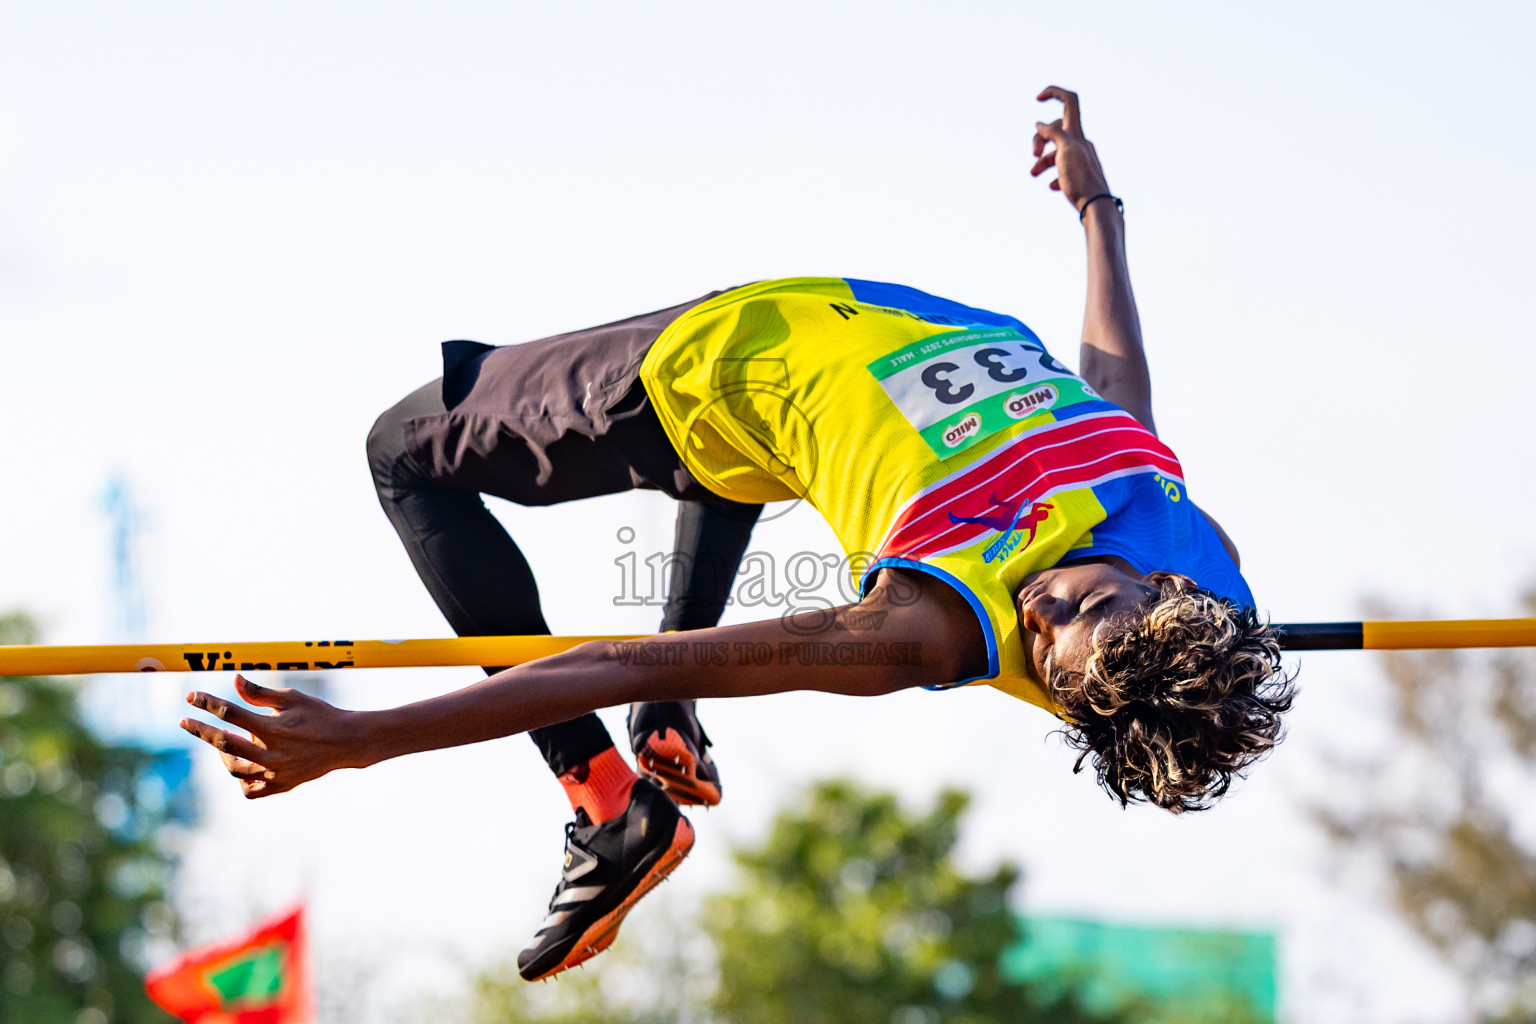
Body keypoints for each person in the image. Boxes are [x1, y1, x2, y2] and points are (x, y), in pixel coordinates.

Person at [180, 87, 1295, 982]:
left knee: (402, 452)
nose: (1044, 603)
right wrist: (1103, 217)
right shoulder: (1197, 568)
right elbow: (1113, 396)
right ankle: (665, 731)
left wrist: (365, 737)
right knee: (769, 459)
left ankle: (605, 800)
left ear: (1046, 684)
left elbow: (620, 654)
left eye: (1046, 640)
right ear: (1161, 588)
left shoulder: (924, 630)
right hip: (819, 352)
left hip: (703, 369)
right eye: (1088, 601)